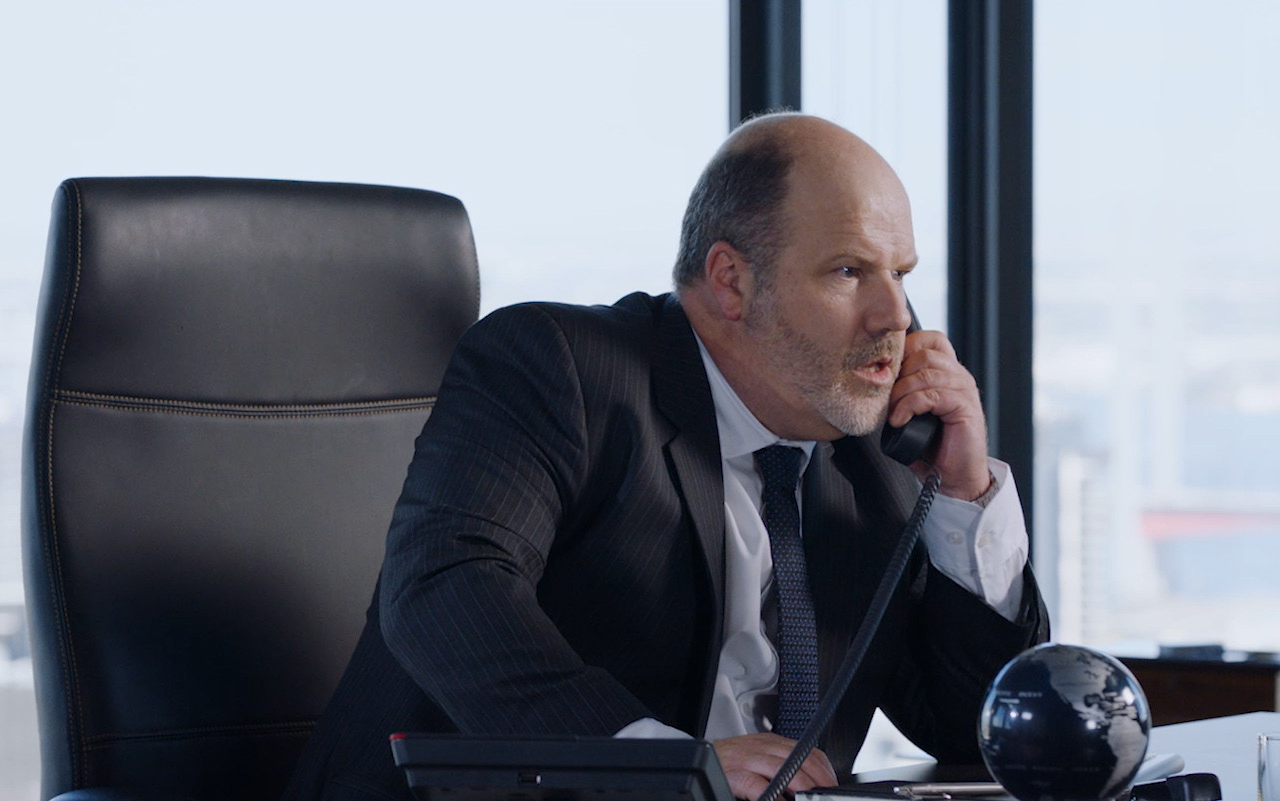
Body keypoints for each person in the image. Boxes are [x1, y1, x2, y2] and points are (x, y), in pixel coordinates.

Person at [281, 113, 1049, 801]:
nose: (895, 315)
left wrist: (964, 493)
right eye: (849, 271)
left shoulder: (872, 456)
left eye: (901, 273)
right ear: (731, 281)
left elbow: (972, 728)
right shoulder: (561, 368)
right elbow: (445, 586)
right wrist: (663, 770)